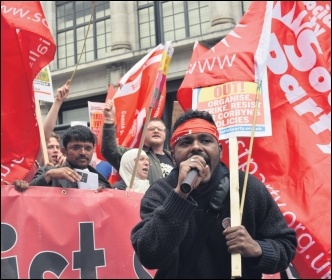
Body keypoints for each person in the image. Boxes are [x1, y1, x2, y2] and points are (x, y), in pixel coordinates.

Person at [131, 110, 297, 279]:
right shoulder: (161, 191)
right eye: (186, 142)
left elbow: (286, 245)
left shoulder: (245, 186)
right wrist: (179, 196)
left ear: (220, 151)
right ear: (173, 156)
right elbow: (149, 254)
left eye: (205, 140)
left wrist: (257, 249)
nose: (196, 147)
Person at [15, 125, 111, 191]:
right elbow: (28, 196)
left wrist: (104, 194)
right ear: (64, 151)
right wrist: (49, 176)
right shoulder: (47, 172)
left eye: (88, 148)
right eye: (76, 147)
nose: (83, 152)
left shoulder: (101, 182)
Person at [101, 99, 174, 185]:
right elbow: (110, 151)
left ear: (165, 134)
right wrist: (109, 120)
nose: (156, 131)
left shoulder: (174, 158)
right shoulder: (134, 155)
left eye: (160, 129)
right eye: (151, 129)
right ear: (143, 134)